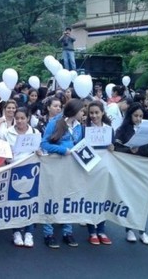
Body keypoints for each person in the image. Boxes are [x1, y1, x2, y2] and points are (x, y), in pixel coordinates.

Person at [114, 103, 148, 245]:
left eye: (141, 116)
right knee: (129, 198)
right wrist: (130, 150)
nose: (138, 119)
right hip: (128, 166)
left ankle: (142, 230)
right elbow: (116, 147)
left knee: (143, 200)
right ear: (129, 116)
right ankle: (129, 229)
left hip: (144, 166)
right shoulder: (122, 130)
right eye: (135, 116)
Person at [40, 98, 85, 249]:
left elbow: (80, 143)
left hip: (71, 167)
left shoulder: (79, 126)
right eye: (81, 110)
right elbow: (44, 143)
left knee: (69, 197)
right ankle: (48, 232)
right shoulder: (55, 123)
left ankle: (67, 231)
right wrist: (62, 150)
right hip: (55, 166)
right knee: (52, 197)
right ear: (75, 111)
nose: (83, 113)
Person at [2, 107, 42, 248]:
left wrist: (39, 151)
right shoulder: (7, 133)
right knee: (15, 202)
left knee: (30, 201)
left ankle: (29, 232)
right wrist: (8, 156)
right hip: (15, 170)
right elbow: (3, 153)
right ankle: (16, 231)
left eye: (22, 118)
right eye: (17, 118)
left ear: (28, 118)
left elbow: (41, 152)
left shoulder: (35, 132)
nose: (19, 121)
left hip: (31, 170)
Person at [84, 101, 115, 245]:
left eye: (97, 112)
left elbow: (114, 149)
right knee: (91, 199)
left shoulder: (109, 129)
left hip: (105, 168)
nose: (94, 115)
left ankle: (101, 230)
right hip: (90, 169)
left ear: (102, 113)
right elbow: (80, 148)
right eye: (91, 113)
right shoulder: (86, 130)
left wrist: (112, 147)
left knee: (103, 199)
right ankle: (92, 231)